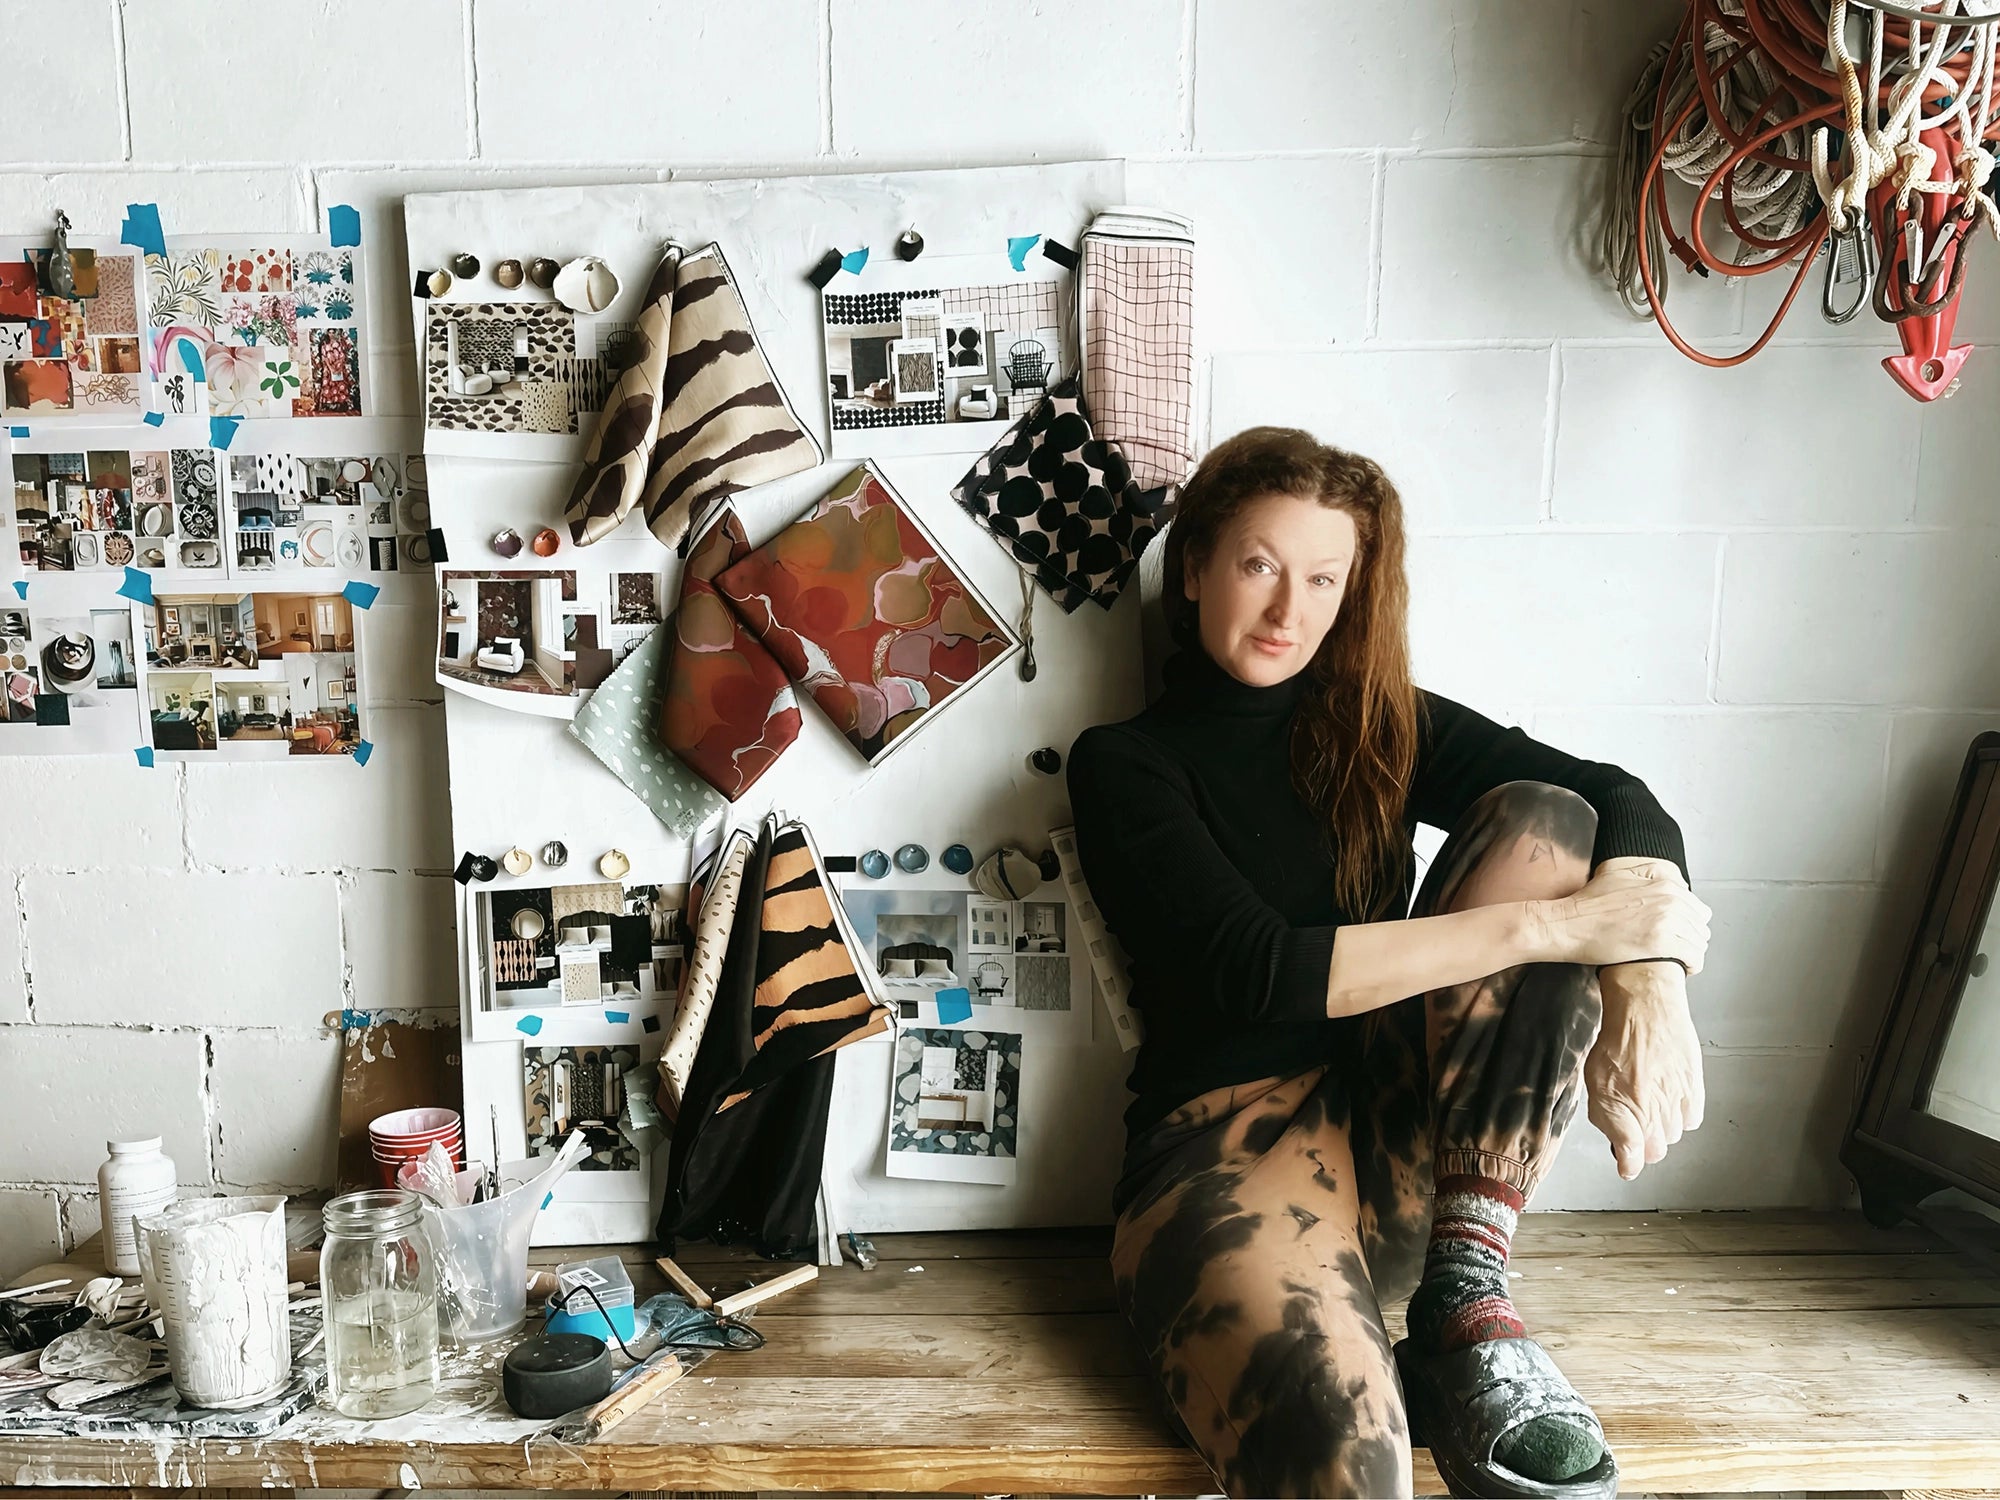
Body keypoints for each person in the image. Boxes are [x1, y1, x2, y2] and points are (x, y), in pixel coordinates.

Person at [1067, 428, 1711, 1500]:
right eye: (1257, 565)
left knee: (1547, 819)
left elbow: (1615, 798)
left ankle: (1464, 1294)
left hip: (1402, 1148)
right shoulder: (1124, 765)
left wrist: (1647, 979)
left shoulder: (1377, 727)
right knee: (1346, 1457)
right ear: (1192, 568)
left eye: (1322, 578)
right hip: (1220, 1154)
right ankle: (1410, 1349)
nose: (1288, 612)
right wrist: (1558, 935)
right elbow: (1258, 971)